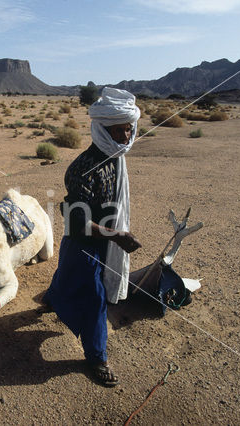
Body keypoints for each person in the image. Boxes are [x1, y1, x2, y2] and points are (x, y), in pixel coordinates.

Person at [44, 87, 142, 387]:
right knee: (95, 296)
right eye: (119, 131)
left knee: (68, 280)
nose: (126, 136)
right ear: (102, 130)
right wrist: (116, 235)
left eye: (129, 129)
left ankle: (54, 298)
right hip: (84, 242)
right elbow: (75, 220)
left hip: (104, 240)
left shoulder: (116, 157)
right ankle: (97, 356)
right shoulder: (83, 168)